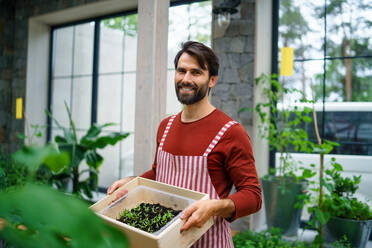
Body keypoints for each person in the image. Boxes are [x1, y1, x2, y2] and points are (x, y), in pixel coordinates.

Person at [107, 41, 262, 247]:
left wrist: (214, 207)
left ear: (212, 80)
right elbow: (159, 173)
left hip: (208, 242)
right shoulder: (166, 126)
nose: (186, 79)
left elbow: (253, 196)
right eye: (181, 71)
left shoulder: (230, 132)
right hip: (163, 240)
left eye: (196, 73)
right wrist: (132, 181)